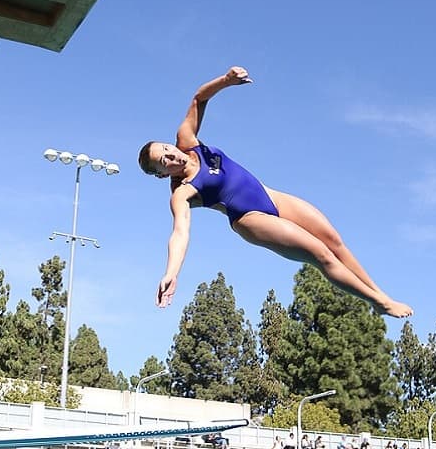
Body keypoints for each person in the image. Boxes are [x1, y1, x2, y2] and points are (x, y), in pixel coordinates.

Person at [138, 66, 413, 319]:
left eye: (166, 149)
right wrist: (171, 273)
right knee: (321, 254)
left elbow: (199, 98)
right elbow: (180, 233)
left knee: (333, 240)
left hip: (270, 195)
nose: (172, 155)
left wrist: (226, 81)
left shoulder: (187, 141)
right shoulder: (182, 192)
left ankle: (381, 296)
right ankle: (379, 303)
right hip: (250, 217)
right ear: (163, 174)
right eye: (164, 161)